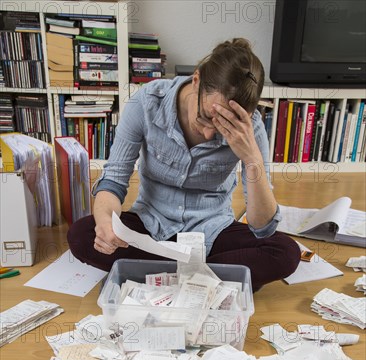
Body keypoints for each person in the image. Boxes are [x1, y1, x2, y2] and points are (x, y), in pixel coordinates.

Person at [68, 38, 300, 291]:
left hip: (212, 229)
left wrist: (252, 159)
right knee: (82, 235)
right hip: (150, 223)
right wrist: (105, 222)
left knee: (284, 253)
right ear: (196, 80)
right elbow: (113, 180)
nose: (210, 133)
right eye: (205, 116)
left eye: (224, 125)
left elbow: (262, 227)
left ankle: (152, 277)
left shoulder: (250, 127)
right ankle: (208, 280)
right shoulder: (146, 102)